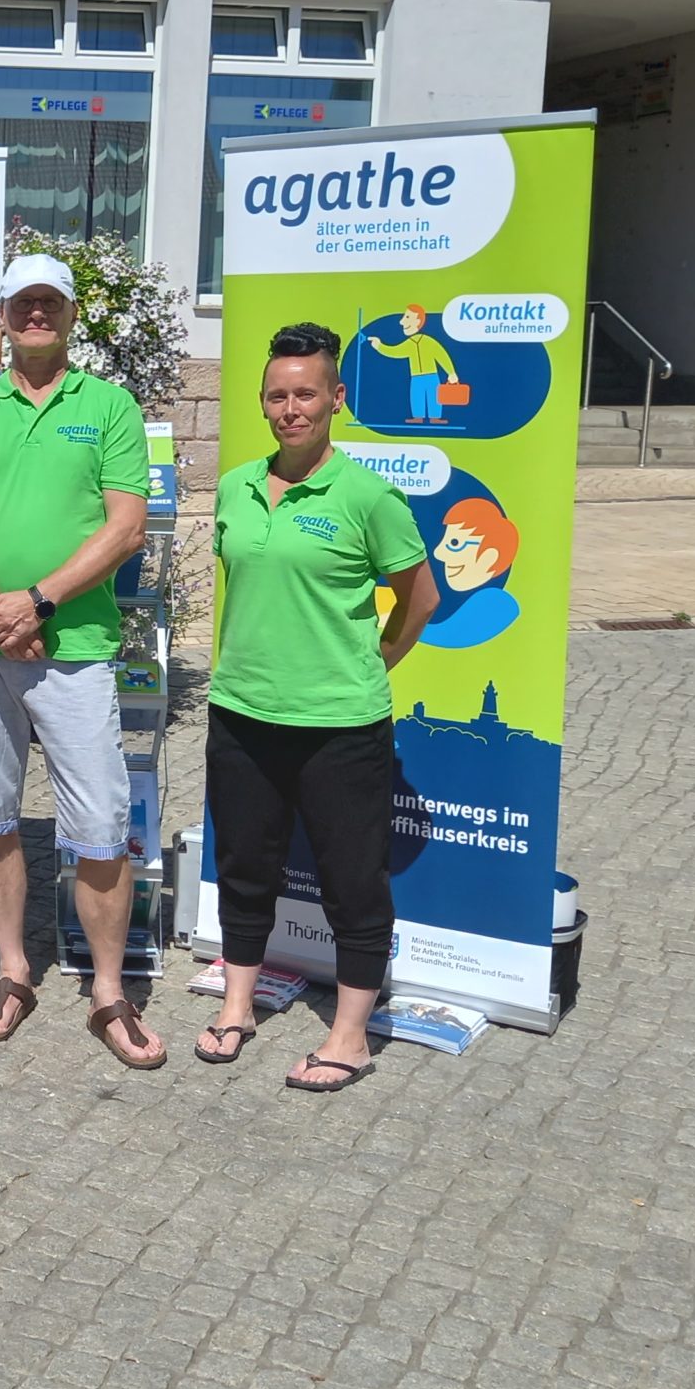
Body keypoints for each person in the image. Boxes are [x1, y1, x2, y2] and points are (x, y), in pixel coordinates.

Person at [0, 252, 156, 1068]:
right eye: (23, 304)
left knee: (98, 826)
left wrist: (38, 601)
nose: (37, 316)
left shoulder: (111, 406)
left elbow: (125, 527)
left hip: (74, 649)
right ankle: (13, 970)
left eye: (51, 303)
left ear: (72, 314)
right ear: (3, 316)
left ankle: (109, 991)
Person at [201, 322, 437, 1092]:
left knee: (352, 881)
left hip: (341, 726)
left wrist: (371, 664)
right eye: (277, 395)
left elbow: (418, 599)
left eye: (306, 393)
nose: (290, 408)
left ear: (337, 399)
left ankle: (349, 1036)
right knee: (244, 868)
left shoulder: (369, 496)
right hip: (242, 713)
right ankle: (238, 1007)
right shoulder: (236, 486)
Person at [422, 496, 521, 649]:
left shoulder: (497, 604)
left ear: (489, 557)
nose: (438, 552)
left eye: (454, 543)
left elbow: (451, 635)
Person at [367, 304, 461, 424]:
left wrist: (451, 372)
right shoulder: (409, 343)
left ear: (417, 321)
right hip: (416, 376)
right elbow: (395, 351)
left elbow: (441, 355)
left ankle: (435, 417)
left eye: (407, 317)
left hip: (432, 375)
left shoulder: (428, 341)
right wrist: (379, 346)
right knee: (417, 396)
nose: (401, 322)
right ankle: (418, 416)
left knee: (434, 396)